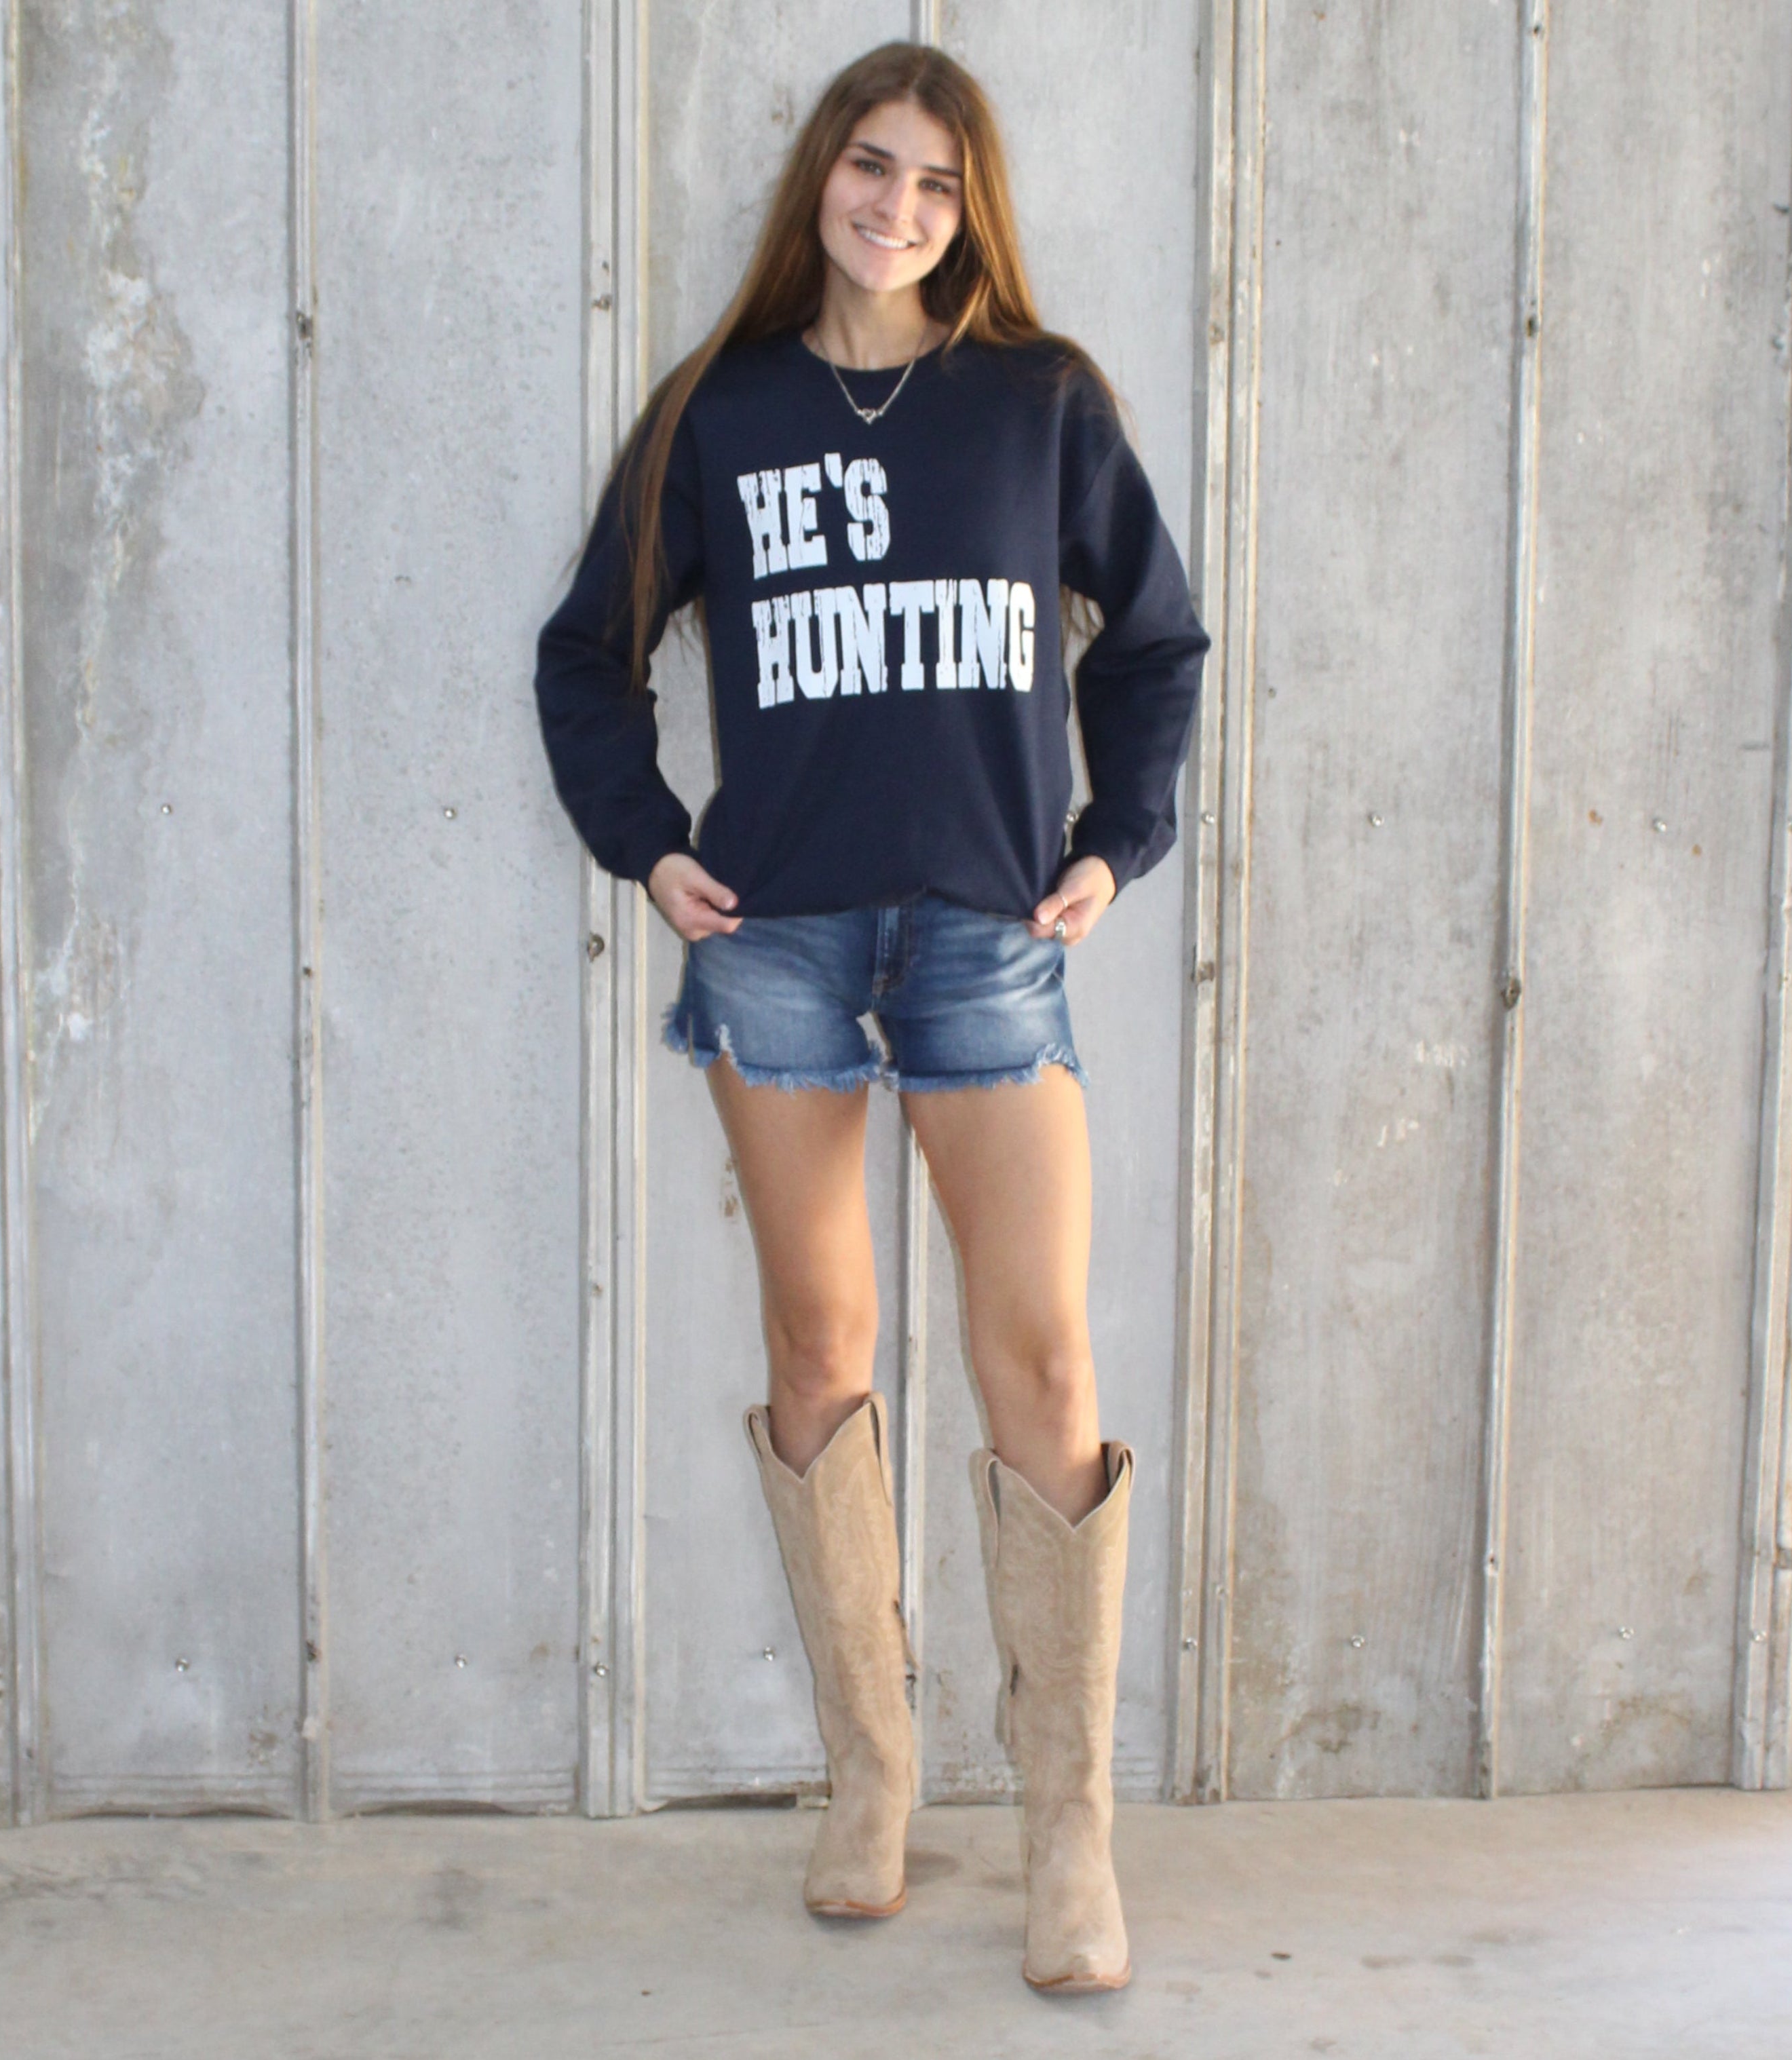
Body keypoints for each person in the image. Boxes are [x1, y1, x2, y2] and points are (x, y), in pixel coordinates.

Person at [535, 40, 1206, 1994]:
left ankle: (1068, 1825)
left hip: (988, 936)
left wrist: (1116, 833)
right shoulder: (718, 412)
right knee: (821, 1339)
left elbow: (1150, 638)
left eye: (931, 179)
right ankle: (872, 1776)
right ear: (817, 180)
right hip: (780, 942)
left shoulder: (1036, 404)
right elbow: (590, 653)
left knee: (1042, 1370)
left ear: (965, 206)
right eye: (866, 165)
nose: (892, 204)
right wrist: (645, 841)